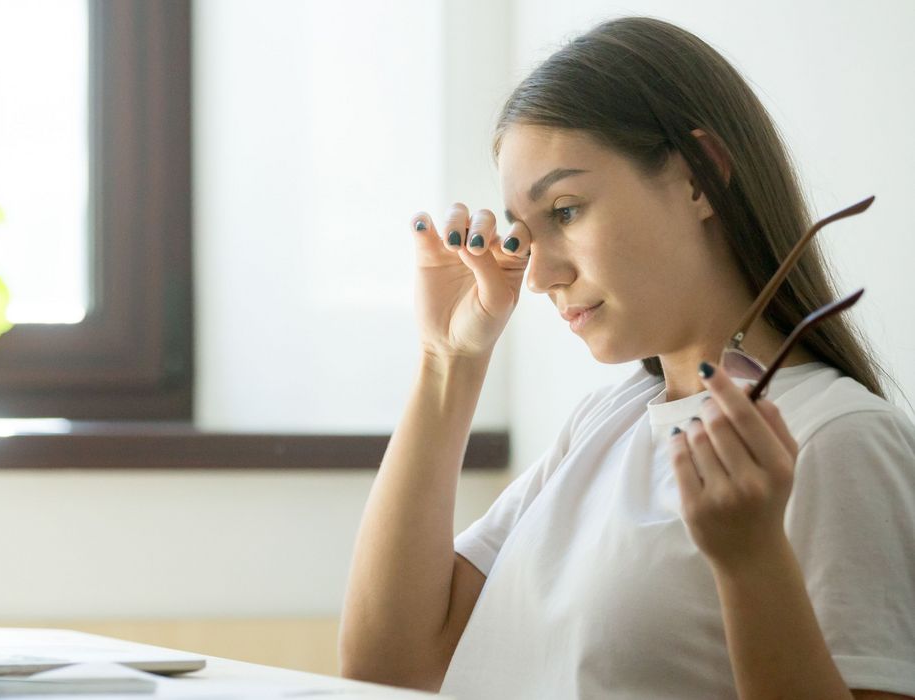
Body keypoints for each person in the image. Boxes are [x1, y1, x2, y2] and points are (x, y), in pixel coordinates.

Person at [338, 16, 915, 700]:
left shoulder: (837, 440)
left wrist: (750, 560)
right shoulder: (604, 423)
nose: (539, 274)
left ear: (701, 177)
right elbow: (389, 665)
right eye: (525, 232)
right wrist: (448, 359)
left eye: (566, 211)